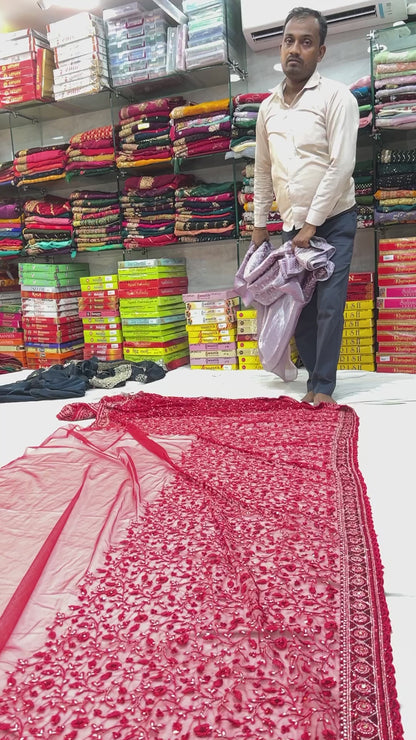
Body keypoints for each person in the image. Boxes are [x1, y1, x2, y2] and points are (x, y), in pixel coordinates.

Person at [252, 6, 359, 405]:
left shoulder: (338, 98)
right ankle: (312, 379)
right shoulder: (267, 109)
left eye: (306, 42)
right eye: (289, 41)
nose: (295, 49)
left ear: (321, 52)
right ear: (281, 47)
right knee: (300, 309)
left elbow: (341, 164)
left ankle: (324, 387)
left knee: (329, 305)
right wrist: (259, 224)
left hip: (333, 222)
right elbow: (263, 170)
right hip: (290, 225)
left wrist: (312, 225)